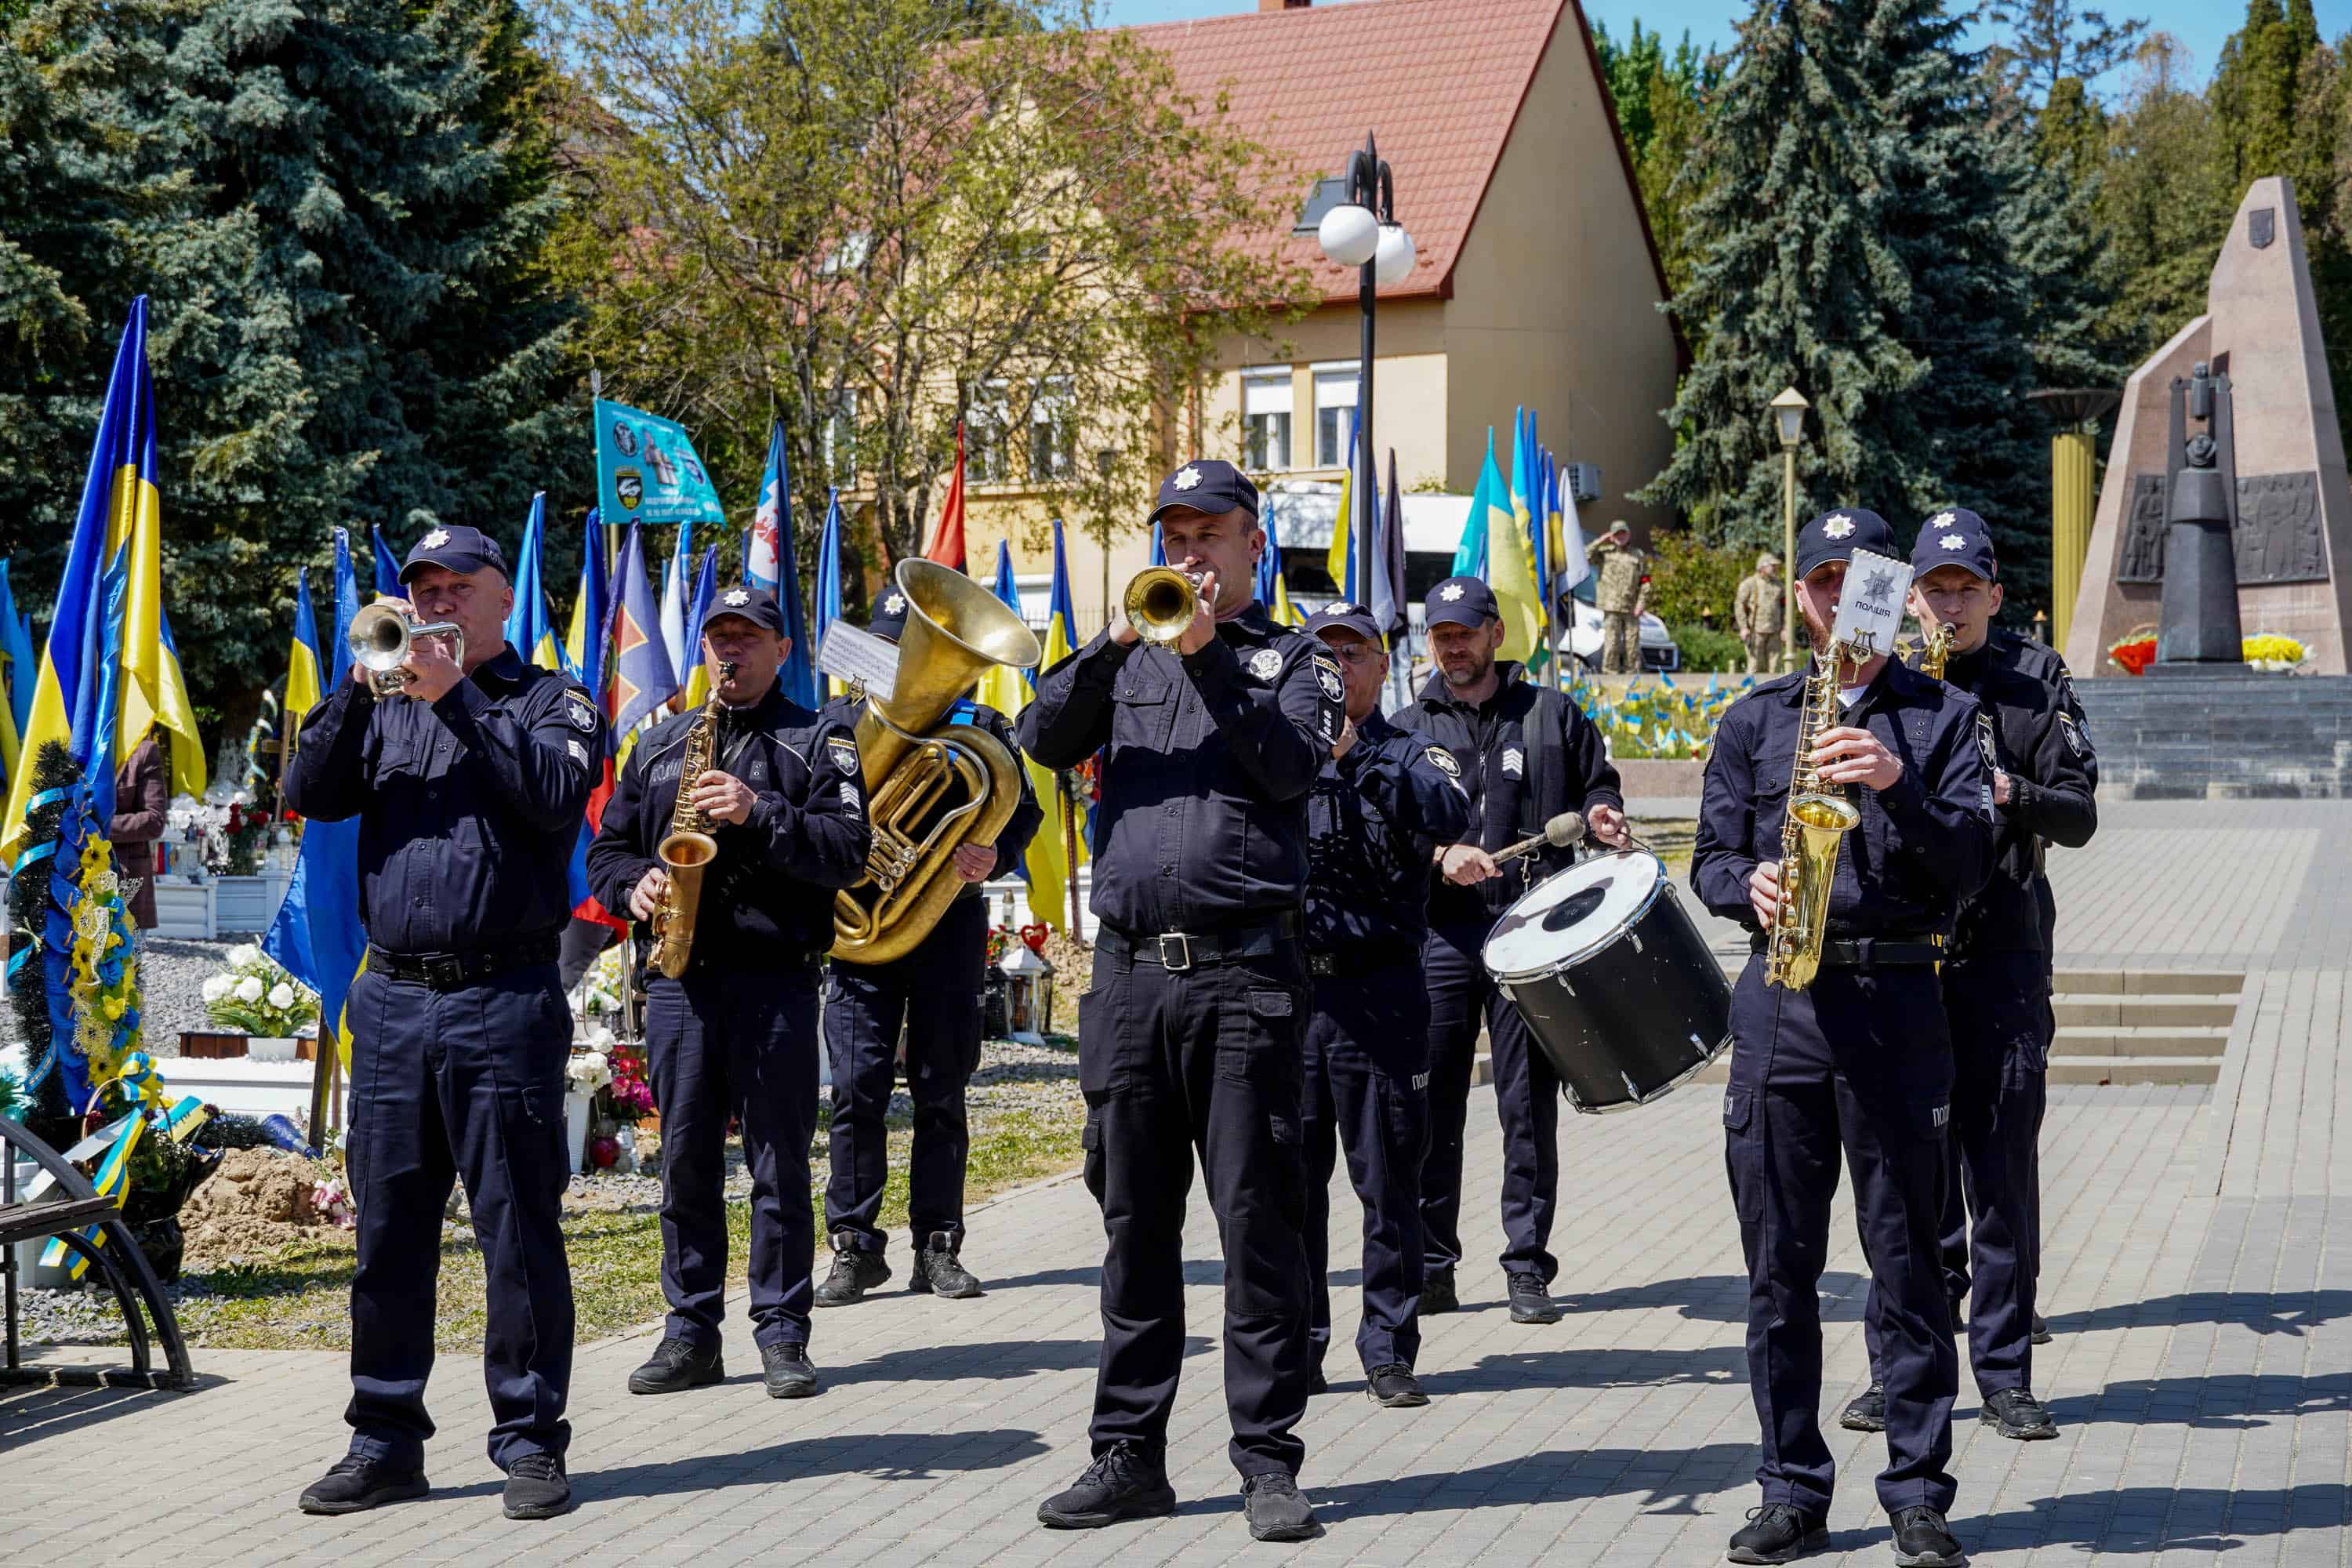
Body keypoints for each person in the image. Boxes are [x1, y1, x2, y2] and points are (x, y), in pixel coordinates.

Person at [1018, 458, 1341, 1544]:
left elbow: (1290, 768)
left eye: (1209, 535)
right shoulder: (1131, 657)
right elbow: (1042, 734)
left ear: (1254, 543)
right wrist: (1118, 642)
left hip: (1246, 978)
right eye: (1176, 537)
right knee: (1135, 1224)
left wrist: (1207, 655)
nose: (1190, 555)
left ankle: (1268, 1460)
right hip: (1128, 981)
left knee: (1257, 1222)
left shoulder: (1295, 659)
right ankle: (1129, 1455)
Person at [1692, 507, 1994, 1568]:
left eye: (1853, 579)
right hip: (1783, 1009)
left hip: (1899, 1003)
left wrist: (1895, 783)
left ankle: (1918, 1492)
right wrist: (1748, 883)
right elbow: (1708, 858)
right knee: (1779, 1270)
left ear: (1891, 592)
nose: (1836, 598)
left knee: (1908, 1266)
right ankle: (1790, 1489)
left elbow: (1972, 863)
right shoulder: (1753, 719)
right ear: (1804, 597)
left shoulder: (1943, 716)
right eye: (1820, 582)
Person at [285, 525, 604, 1522]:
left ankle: (531, 1439)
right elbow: (306, 792)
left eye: (456, 587)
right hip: (390, 998)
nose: (434, 603)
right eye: (422, 588)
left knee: (516, 1227)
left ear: (502, 597)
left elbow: (554, 797)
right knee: (387, 1226)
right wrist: (355, 688)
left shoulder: (553, 698)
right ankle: (383, 1439)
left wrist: (455, 694)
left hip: (501, 995)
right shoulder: (382, 702)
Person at [1837, 510, 2098, 1446]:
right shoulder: (1879, 680)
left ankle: (2005, 1373)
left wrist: (2008, 792)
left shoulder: (2034, 678)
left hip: (2001, 950)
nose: (1949, 605)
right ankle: (1899, 1372)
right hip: (1907, 953)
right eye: (1933, 588)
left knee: (2000, 1167)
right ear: (1910, 596)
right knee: (1903, 1180)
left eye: (1965, 588)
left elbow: (2079, 812)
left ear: (1994, 592)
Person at [586, 586, 869, 1402]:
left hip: (774, 979)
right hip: (680, 982)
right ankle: (690, 1333)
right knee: (684, 1163)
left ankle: (782, 1331)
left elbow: (848, 851)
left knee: (779, 1161)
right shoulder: (660, 743)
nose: (730, 652)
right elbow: (607, 851)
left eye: (747, 638)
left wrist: (757, 811)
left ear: (782, 649)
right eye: (718, 639)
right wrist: (634, 884)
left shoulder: (821, 738)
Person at [1394, 577, 1627, 1325]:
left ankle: (1527, 1266)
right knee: (1432, 1108)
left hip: (1532, 934)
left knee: (1527, 1108)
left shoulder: (1551, 714)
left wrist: (1602, 814)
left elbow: (1600, 787)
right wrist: (1440, 856)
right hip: (1441, 938)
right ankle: (1433, 1267)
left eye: (1465, 633)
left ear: (1496, 634)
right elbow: (1388, 830)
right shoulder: (1406, 729)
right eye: (1441, 636)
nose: (1453, 647)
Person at [814, 590, 1041, 1306]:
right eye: (893, 650)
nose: (904, 665)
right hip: (859, 931)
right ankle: (854, 1247)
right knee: (856, 1091)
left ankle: (937, 1245)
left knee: (943, 1090)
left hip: (946, 925)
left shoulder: (983, 726)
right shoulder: (833, 725)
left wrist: (994, 853)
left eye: (913, 652)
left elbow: (1023, 812)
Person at [1297, 603, 1468, 1410]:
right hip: (1295, 994)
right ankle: (1298, 1344)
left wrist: (1356, 753)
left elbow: (1447, 810)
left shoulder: (1410, 747)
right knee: (1288, 1185)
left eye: (1352, 654)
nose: (1336, 668)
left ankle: (1389, 1347)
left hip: (1381, 990)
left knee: (1391, 1178)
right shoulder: (1279, 752)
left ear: (1380, 664)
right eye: (1321, 655)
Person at [110, 731, 169, 928]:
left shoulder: (143, 752)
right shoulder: (73, 747)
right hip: (75, 886)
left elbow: (154, 821)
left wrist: (100, 828)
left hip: (127, 881)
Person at [1589, 521, 1647, 674]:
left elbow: (1645, 581)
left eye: (1623, 533)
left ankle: (1633, 676)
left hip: (1631, 606)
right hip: (1611, 606)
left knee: (1632, 644)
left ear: (1629, 534)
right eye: (1617, 534)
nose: (1621, 537)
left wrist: (1641, 603)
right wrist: (1601, 541)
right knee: (1612, 643)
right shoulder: (1604, 553)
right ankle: (1610, 674)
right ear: (1612, 536)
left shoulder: (1638, 555)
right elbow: (1586, 556)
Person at [1735, 553, 1785, 676]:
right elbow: (1739, 605)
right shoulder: (1750, 584)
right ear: (1762, 567)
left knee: (1775, 669)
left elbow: (1785, 608)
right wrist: (1743, 627)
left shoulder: (1779, 585)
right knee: (1754, 668)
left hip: (1775, 632)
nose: (1775, 568)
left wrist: (1785, 628)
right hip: (1755, 632)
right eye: (1772, 566)